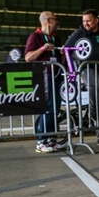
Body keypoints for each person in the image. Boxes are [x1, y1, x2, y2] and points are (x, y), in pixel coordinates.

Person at [64, 9, 99, 146]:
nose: (86, 24)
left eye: (88, 21)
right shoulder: (79, 33)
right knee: (97, 86)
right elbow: (66, 48)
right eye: (84, 21)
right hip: (87, 68)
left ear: (96, 20)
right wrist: (71, 69)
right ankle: (92, 109)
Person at [25, 11, 64, 153]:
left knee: (56, 108)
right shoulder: (34, 37)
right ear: (47, 20)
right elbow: (28, 58)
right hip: (44, 76)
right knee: (47, 107)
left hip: (57, 74)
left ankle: (52, 140)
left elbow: (60, 58)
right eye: (55, 20)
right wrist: (43, 48)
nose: (57, 23)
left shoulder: (56, 38)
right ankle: (41, 141)